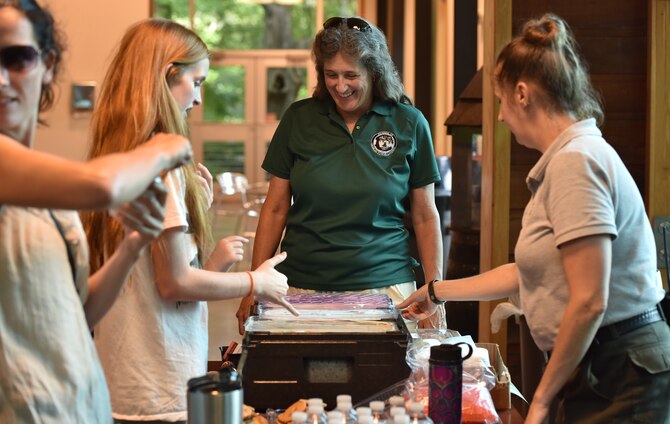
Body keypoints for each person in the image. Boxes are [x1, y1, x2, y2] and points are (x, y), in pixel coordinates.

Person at [398, 13, 670, 423]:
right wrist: (437, 291)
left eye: (499, 101)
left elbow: (589, 300)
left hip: (623, 370)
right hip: (606, 364)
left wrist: (543, 399)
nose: (498, 116)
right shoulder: (566, 160)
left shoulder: (577, 162)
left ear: (521, 94)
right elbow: (529, 271)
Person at [81, 19, 297, 424]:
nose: (198, 98)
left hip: (121, 378)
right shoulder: (162, 165)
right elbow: (174, 282)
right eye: (196, 82)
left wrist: (206, 247)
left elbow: (158, 282)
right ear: (168, 76)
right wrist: (256, 281)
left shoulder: (118, 159)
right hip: (158, 384)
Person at [0, 1, 194, 422]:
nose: (0, 79)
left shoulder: (47, 187)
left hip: (78, 407)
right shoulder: (69, 183)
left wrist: (132, 245)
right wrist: (164, 148)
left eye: (15, 59)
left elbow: (79, 310)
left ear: (47, 64)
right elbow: (102, 185)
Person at [236, 16, 444, 333]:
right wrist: (254, 284)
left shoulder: (409, 123)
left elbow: (426, 215)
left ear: (374, 74)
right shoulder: (299, 118)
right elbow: (276, 207)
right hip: (300, 289)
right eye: (331, 75)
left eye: (351, 75)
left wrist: (434, 293)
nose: (340, 86)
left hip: (386, 287)